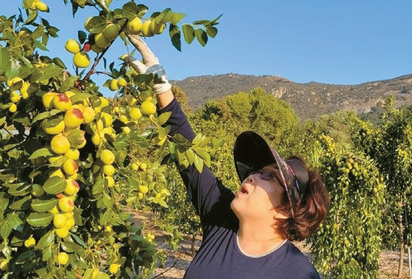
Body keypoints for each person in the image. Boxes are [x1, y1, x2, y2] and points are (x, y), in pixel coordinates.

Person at [124, 34, 330, 279]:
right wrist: (162, 87)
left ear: (285, 209)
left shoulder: (297, 273)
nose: (253, 176)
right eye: (257, 170)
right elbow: (190, 156)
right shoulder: (221, 221)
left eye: (268, 176)